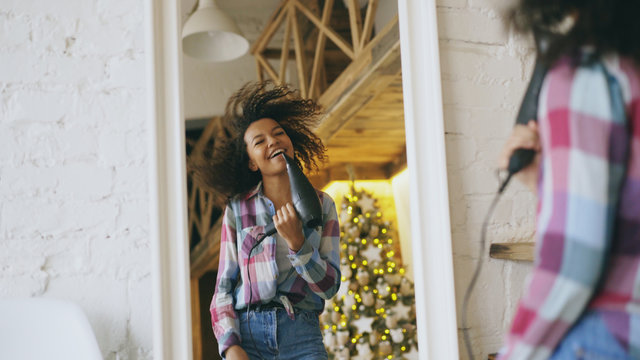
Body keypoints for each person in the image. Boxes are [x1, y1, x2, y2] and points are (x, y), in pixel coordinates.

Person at [497, 1, 640, 359]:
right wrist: (542, 183)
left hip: (607, 338)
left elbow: (572, 264)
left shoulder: (585, 75)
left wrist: (516, 353)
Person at [193, 82, 341, 360]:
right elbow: (223, 289)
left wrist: (298, 243)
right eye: (259, 141)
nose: (273, 141)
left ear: (291, 144)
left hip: (303, 336)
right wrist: (230, 344)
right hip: (249, 336)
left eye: (278, 134)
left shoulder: (323, 205)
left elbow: (330, 287)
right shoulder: (238, 209)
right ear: (251, 162)